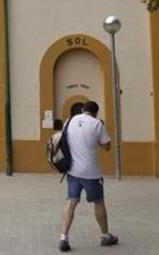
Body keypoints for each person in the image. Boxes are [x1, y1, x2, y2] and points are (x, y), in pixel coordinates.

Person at [58, 100, 118, 252]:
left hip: (72, 171)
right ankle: (105, 236)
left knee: (71, 202)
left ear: (83, 109)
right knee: (98, 202)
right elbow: (107, 146)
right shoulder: (97, 124)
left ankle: (64, 238)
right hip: (91, 173)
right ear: (96, 112)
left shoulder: (69, 121)